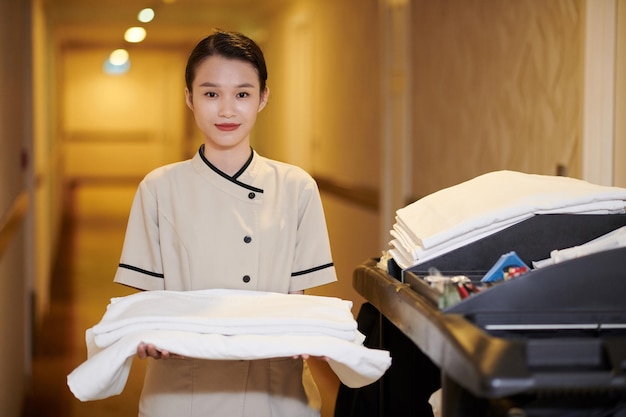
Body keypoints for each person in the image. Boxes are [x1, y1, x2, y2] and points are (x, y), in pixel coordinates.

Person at [113, 29, 337, 417]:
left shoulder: (296, 187)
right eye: (211, 93)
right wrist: (146, 334)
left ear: (263, 98)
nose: (227, 110)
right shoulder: (159, 187)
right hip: (182, 393)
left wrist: (305, 333)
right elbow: (146, 299)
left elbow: (297, 298)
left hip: (275, 392)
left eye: (243, 94)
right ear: (190, 98)